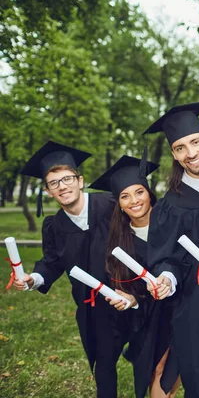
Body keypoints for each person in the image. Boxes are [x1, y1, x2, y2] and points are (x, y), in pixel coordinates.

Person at [13, 141, 127, 398]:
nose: (62, 186)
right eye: (54, 183)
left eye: (67, 179)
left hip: (131, 294)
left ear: (80, 180)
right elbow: (51, 262)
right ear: (48, 191)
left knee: (148, 355)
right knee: (104, 364)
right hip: (94, 306)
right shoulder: (54, 226)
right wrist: (34, 279)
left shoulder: (111, 205)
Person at [143, 101, 199, 397]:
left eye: (195, 142)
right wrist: (166, 279)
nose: (191, 153)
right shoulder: (170, 205)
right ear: (174, 153)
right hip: (198, 306)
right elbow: (165, 258)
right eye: (180, 147)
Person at [88, 155, 181, 398]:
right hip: (151, 316)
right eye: (124, 196)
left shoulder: (174, 221)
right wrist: (130, 299)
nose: (133, 201)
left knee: (177, 370)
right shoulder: (119, 239)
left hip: (185, 304)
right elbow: (125, 286)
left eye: (139, 192)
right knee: (158, 371)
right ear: (118, 203)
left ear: (149, 193)